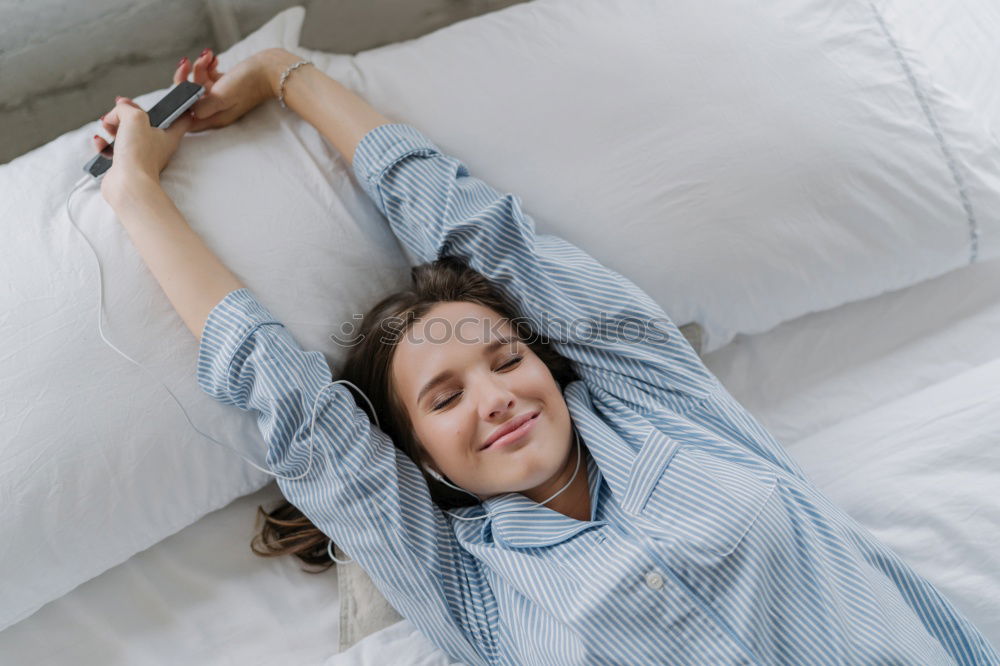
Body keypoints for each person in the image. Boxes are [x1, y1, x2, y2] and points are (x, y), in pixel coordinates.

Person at [94, 46, 999, 665]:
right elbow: (293, 406)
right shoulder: (467, 582)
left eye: (504, 359)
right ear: (419, 460)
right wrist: (135, 191)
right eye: (443, 400)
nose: (494, 395)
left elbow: (483, 232)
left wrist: (287, 75)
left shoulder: (666, 415)